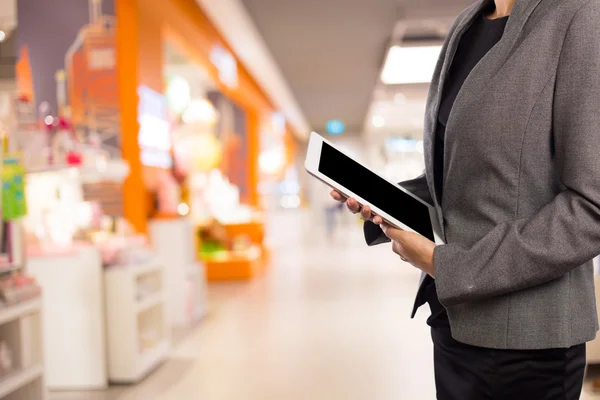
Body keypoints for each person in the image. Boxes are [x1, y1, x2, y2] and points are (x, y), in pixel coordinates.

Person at [330, 0, 600, 398]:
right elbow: (458, 177)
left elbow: (590, 210)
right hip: (454, 325)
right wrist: (385, 200)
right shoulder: (466, 25)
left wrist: (449, 266)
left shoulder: (578, 17)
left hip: (528, 346)